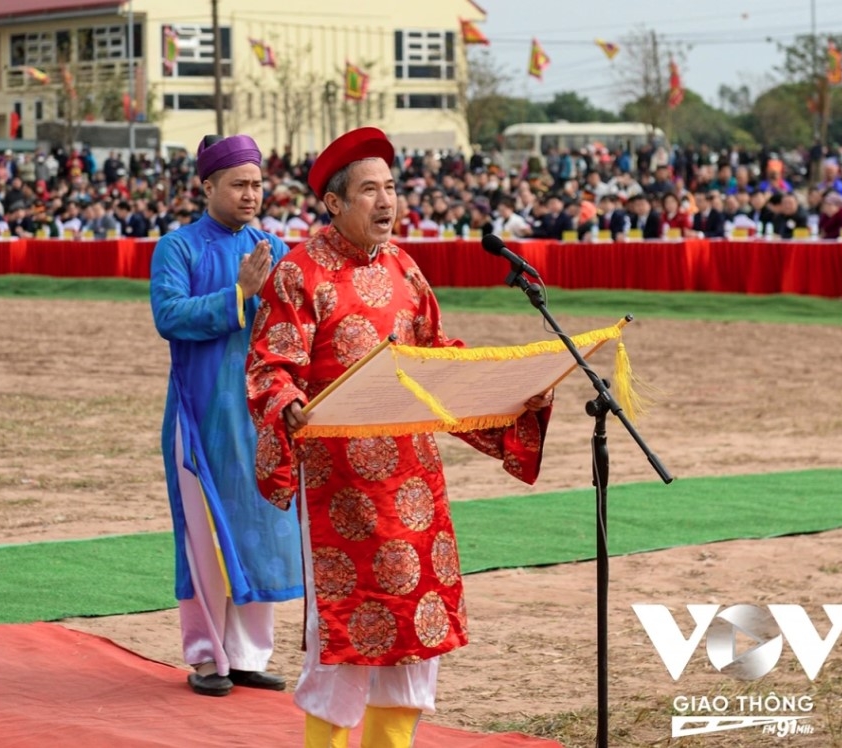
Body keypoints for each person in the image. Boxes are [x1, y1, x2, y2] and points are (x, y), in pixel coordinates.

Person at [245, 127, 554, 748]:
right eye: (368, 191)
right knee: (343, 648)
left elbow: (437, 357)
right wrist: (290, 403)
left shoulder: (406, 268)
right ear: (333, 203)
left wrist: (511, 390)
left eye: (391, 188)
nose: (386, 202)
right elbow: (270, 365)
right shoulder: (297, 272)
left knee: (415, 644)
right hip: (340, 491)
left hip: (415, 486)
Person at [149, 133, 302, 698]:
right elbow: (169, 316)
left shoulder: (274, 248)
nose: (250, 194)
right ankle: (208, 657)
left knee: (260, 529)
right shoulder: (177, 248)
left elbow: (292, 325)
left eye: (257, 184)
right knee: (206, 535)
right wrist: (237, 294)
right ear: (207, 186)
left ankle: (247, 656)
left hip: (261, 415)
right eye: (238, 184)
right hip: (202, 414)